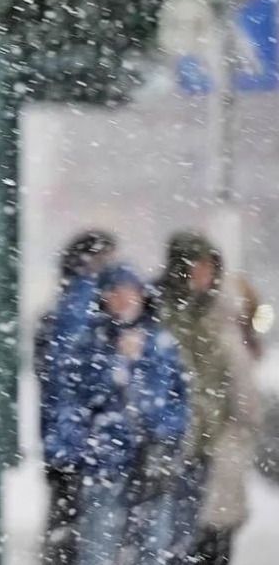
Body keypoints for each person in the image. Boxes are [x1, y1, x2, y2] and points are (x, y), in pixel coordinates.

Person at [49, 263, 189, 565]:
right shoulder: (91, 342)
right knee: (99, 542)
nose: (124, 300)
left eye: (131, 292)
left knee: (154, 545)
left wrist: (163, 438)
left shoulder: (160, 343)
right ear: (104, 297)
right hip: (105, 462)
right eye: (116, 292)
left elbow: (175, 403)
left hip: (152, 464)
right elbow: (75, 398)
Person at [153, 231, 261, 565]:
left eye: (209, 269)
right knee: (173, 539)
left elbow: (240, 391)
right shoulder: (163, 314)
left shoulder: (216, 318)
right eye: (196, 268)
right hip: (175, 445)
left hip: (208, 447)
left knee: (207, 539)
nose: (204, 276)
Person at [37, 230, 116, 565]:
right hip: (80, 441)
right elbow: (72, 381)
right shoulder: (83, 309)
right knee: (83, 531)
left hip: (66, 439)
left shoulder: (64, 309)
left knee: (67, 525)